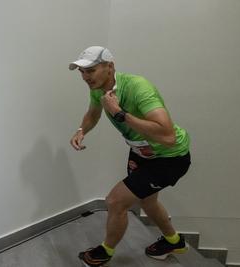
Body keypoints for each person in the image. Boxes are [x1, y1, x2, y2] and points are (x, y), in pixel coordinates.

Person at [69, 46, 191, 267]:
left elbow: (168, 136)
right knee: (148, 201)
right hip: (141, 153)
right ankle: (173, 241)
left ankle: (104, 252)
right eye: (82, 72)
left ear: (110, 67)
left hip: (169, 157)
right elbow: (93, 112)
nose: (86, 77)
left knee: (115, 201)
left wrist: (119, 113)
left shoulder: (138, 87)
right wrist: (81, 130)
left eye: (91, 70)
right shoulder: (97, 88)